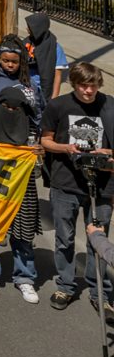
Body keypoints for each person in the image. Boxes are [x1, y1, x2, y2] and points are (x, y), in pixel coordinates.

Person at [40, 62, 114, 314]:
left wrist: (108, 153)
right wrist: (66, 148)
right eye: (83, 86)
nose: (88, 91)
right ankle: (66, 285)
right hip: (66, 184)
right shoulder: (58, 106)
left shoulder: (110, 105)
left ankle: (100, 292)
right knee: (65, 239)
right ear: (74, 84)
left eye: (93, 86)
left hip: (102, 186)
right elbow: (45, 141)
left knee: (98, 240)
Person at [0, 87, 44, 304]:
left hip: (23, 189)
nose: (11, 111)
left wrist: (38, 156)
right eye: (7, 107)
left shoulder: (31, 127)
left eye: (16, 108)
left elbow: (38, 170)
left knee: (23, 235)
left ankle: (25, 277)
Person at [24, 12, 68, 105]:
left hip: (43, 92)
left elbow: (58, 76)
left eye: (30, 27)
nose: (27, 29)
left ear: (38, 28)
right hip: (25, 88)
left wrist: (54, 99)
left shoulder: (55, 48)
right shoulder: (27, 42)